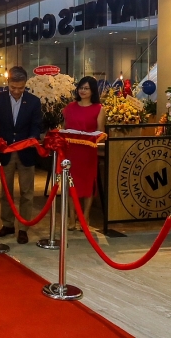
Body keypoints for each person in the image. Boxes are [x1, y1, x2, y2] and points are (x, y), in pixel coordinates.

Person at [0, 66, 43, 244]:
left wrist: (32, 138)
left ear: (25, 84)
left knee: (27, 192)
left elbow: (36, 126)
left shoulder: (33, 101)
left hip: (26, 152)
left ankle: (23, 228)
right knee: (6, 192)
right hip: (6, 152)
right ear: (8, 82)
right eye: (13, 87)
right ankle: (8, 224)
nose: (17, 91)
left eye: (20, 88)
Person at [62, 76, 105, 230]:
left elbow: (101, 132)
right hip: (71, 152)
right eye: (81, 87)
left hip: (88, 152)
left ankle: (85, 216)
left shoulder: (99, 109)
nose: (83, 91)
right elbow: (65, 128)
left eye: (86, 88)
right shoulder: (70, 107)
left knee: (88, 185)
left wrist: (90, 137)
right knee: (71, 185)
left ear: (93, 91)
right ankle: (71, 217)